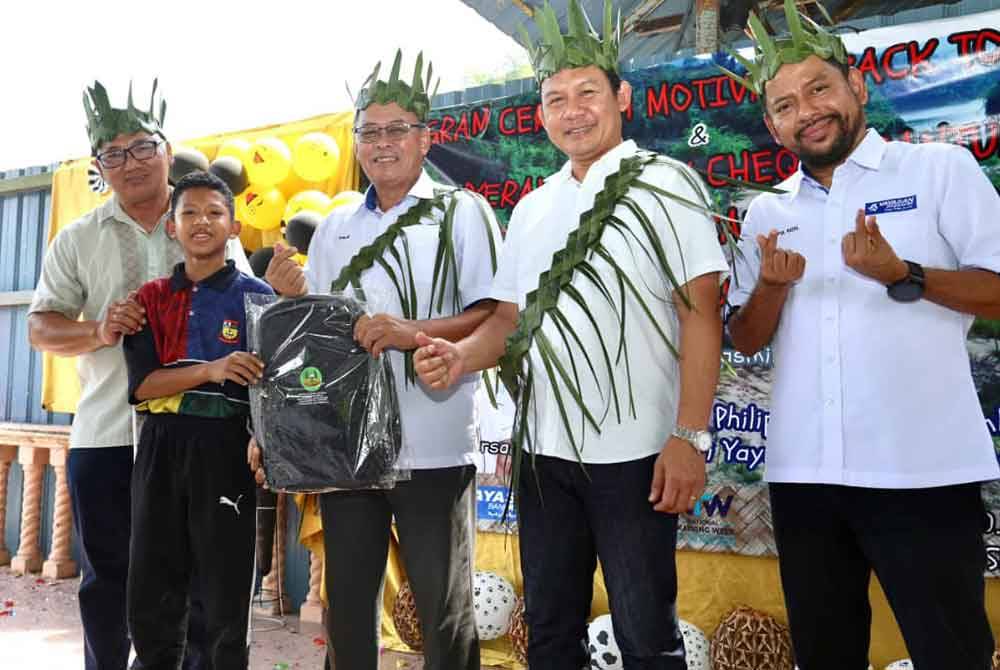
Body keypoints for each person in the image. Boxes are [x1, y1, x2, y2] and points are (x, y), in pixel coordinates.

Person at [413, 2, 729, 666]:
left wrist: (690, 437)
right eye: (556, 98)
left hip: (637, 454)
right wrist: (460, 354)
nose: (572, 109)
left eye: (588, 92)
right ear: (541, 115)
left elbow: (701, 314)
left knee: (646, 634)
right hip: (543, 454)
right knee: (550, 630)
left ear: (622, 96)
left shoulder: (667, 185)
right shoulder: (532, 207)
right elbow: (507, 320)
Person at [721, 2, 1000, 668]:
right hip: (805, 477)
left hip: (923, 472)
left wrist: (902, 272)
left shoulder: (938, 171)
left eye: (819, 87)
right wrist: (771, 288)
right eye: (785, 104)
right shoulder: (767, 211)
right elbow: (747, 338)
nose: (806, 110)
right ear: (771, 125)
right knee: (826, 653)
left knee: (952, 653)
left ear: (858, 87)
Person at [260, 50, 502, 670]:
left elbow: (491, 315)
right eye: (370, 130)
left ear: (426, 138)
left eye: (398, 129)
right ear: (357, 141)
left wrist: (409, 332)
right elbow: (313, 338)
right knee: (345, 603)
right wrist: (293, 300)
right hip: (348, 451)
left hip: (435, 441)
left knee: (442, 607)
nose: (383, 143)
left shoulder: (461, 212)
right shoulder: (337, 224)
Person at [28, 80, 249, 670]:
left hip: (204, 437)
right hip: (106, 435)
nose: (130, 163)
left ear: (167, 149)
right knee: (108, 583)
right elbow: (40, 328)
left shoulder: (208, 217)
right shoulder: (77, 240)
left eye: (142, 147)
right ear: (99, 166)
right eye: (113, 153)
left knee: (207, 583)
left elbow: (255, 319)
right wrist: (99, 331)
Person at [122, 171, 269, 669]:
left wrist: (263, 440)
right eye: (189, 212)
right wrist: (212, 369)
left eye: (214, 213)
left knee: (223, 587)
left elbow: (273, 389)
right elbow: (142, 386)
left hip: (228, 448)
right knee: (152, 580)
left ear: (233, 228)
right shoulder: (149, 299)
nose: (201, 222)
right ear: (171, 226)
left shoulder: (259, 298)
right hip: (161, 445)